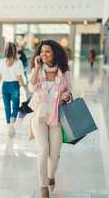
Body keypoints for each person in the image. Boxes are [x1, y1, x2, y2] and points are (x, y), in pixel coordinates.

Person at [28, 40, 72, 197]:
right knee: (43, 150)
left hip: (57, 118)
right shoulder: (38, 69)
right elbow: (32, 87)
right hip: (39, 117)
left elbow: (69, 91)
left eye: (47, 51)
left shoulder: (64, 71)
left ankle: (51, 175)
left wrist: (64, 97)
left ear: (55, 54)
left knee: (54, 154)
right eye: (41, 51)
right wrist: (36, 68)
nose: (43, 54)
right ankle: (43, 186)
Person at [0, 42, 26, 137]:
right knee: (15, 106)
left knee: (7, 107)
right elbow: (19, 76)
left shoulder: (2, 61)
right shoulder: (18, 62)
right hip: (14, 86)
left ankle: (9, 127)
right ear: (15, 51)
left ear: (5, 51)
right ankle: (12, 124)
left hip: (5, 86)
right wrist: (24, 86)